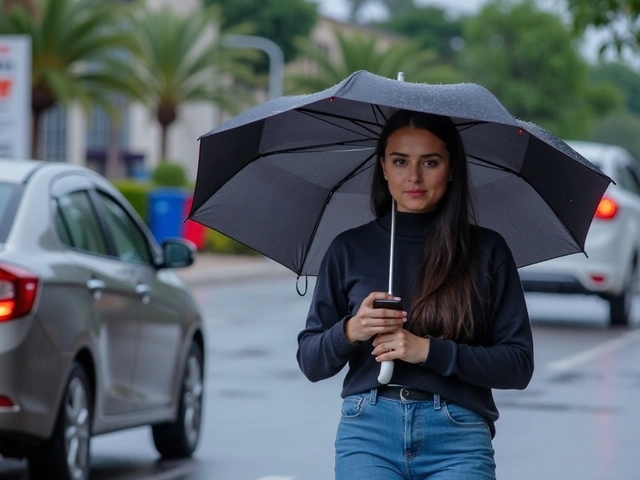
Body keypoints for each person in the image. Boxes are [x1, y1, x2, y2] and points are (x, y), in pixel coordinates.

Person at [296, 109, 534, 479]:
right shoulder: (349, 248)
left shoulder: (485, 250)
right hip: (369, 433)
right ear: (383, 167)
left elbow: (518, 365)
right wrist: (351, 330)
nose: (414, 176)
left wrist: (426, 351)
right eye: (400, 161)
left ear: (452, 168)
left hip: (458, 436)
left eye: (430, 162)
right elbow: (310, 362)